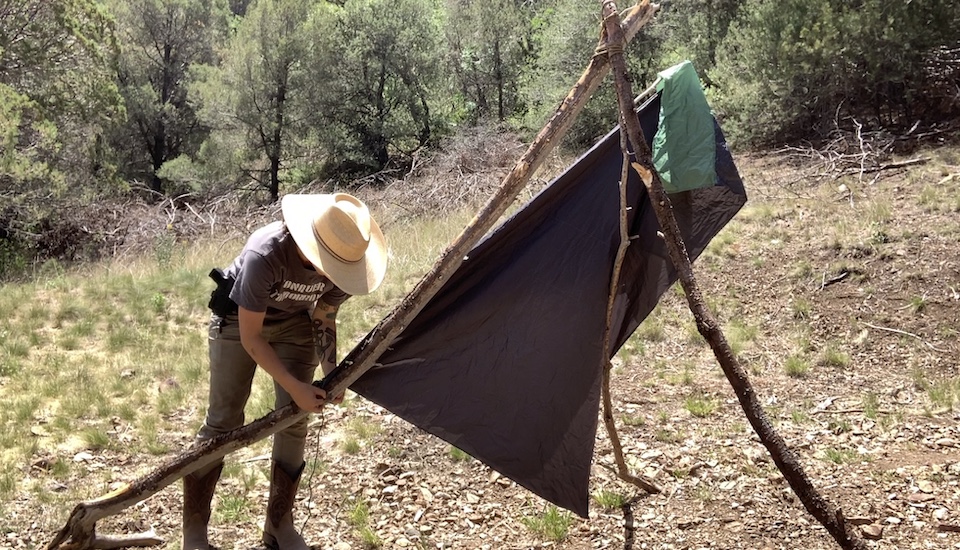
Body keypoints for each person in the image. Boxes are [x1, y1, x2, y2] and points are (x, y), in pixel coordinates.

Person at [182, 193, 387, 550]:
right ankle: (195, 533)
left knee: (296, 420)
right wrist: (293, 386)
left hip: (295, 323)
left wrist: (332, 372)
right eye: (331, 264)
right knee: (223, 421)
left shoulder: (346, 262)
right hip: (238, 322)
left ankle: (280, 526)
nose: (334, 274)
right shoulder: (267, 252)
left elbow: (324, 315)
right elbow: (251, 337)